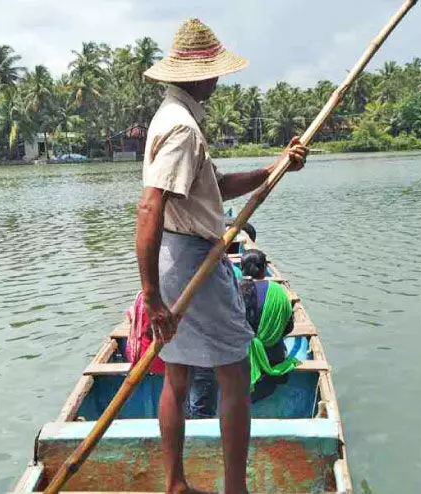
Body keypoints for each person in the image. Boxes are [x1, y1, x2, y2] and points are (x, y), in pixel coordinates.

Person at [135, 18, 309, 494]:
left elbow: (216, 187)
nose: (217, 79)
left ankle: (175, 483)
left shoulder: (171, 117)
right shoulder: (182, 128)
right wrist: (151, 298)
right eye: (213, 72)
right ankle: (235, 489)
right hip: (191, 260)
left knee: (176, 373)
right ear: (199, 75)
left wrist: (276, 168)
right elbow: (150, 206)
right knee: (234, 371)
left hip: (177, 256)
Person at [187, 249, 298, 419]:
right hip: (271, 362)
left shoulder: (231, 291)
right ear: (263, 269)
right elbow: (288, 327)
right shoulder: (278, 292)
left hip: (235, 364)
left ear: (242, 269)